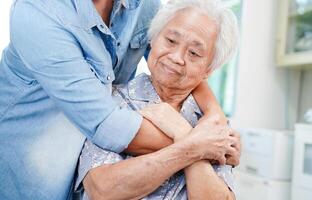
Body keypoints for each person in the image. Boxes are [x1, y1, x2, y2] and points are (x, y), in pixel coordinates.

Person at [0, 0, 236, 199]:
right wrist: (198, 144)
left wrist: (214, 117)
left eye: (194, 53)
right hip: (23, 164)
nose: (178, 55)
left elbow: (172, 53)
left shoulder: (144, 5)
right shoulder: (39, 12)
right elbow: (107, 127)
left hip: (75, 159)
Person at [75, 0, 240, 199]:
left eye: (194, 53)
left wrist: (181, 130)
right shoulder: (112, 102)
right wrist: (193, 146)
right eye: (170, 41)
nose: (177, 57)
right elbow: (103, 189)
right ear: (152, 39)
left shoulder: (212, 125)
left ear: (208, 70)